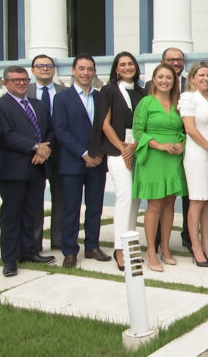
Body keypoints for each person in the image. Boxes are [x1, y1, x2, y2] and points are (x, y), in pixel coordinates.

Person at [0, 65, 56, 277]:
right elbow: (5, 134)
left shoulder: (38, 105)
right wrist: (35, 147)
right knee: (11, 216)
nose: (21, 83)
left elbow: (50, 130)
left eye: (24, 79)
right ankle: (10, 259)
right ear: (5, 83)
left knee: (31, 213)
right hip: (13, 169)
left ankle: (29, 251)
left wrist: (45, 150)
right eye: (15, 80)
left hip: (37, 168)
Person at [52, 54, 109, 268]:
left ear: (94, 72)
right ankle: (69, 250)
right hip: (72, 162)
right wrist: (84, 154)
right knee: (71, 208)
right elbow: (60, 130)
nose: (86, 73)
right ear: (73, 71)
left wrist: (100, 154)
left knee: (95, 207)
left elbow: (107, 128)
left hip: (98, 162)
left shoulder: (101, 97)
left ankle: (92, 246)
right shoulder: (62, 98)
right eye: (81, 68)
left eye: (89, 69)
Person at [91, 51, 146, 271]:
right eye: (122, 64)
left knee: (136, 199)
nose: (127, 67)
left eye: (130, 63)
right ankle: (119, 249)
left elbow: (145, 123)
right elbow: (104, 124)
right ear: (116, 68)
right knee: (125, 197)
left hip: (138, 148)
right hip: (117, 150)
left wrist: (134, 146)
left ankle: (130, 245)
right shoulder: (109, 91)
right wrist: (123, 148)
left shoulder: (142, 92)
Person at [133, 62, 188, 272]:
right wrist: (158, 145)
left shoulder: (178, 103)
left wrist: (181, 142)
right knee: (155, 203)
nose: (165, 81)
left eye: (169, 77)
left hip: (173, 158)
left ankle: (165, 247)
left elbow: (184, 129)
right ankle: (150, 251)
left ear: (174, 81)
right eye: (161, 77)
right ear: (154, 80)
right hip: (153, 156)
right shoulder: (146, 102)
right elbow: (138, 131)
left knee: (169, 202)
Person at [178, 61, 208, 267]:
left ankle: (206, 246)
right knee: (197, 200)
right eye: (201, 75)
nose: (206, 78)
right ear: (192, 78)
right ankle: (195, 248)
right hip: (197, 154)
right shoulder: (188, 98)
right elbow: (190, 128)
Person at [26, 54, 66, 250]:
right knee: (34, 199)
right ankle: (34, 244)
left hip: (61, 151)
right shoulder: (24, 91)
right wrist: (38, 147)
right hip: (34, 154)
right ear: (33, 70)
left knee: (61, 198)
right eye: (40, 65)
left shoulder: (65, 92)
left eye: (49, 65)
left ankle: (59, 240)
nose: (44, 68)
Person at [153, 47, 190, 251]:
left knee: (186, 195)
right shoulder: (152, 88)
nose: (176, 63)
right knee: (160, 197)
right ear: (162, 62)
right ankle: (157, 240)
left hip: (187, 146)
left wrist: (184, 141)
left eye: (179, 59)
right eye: (171, 59)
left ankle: (188, 237)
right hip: (160, 152)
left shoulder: (191, 83)